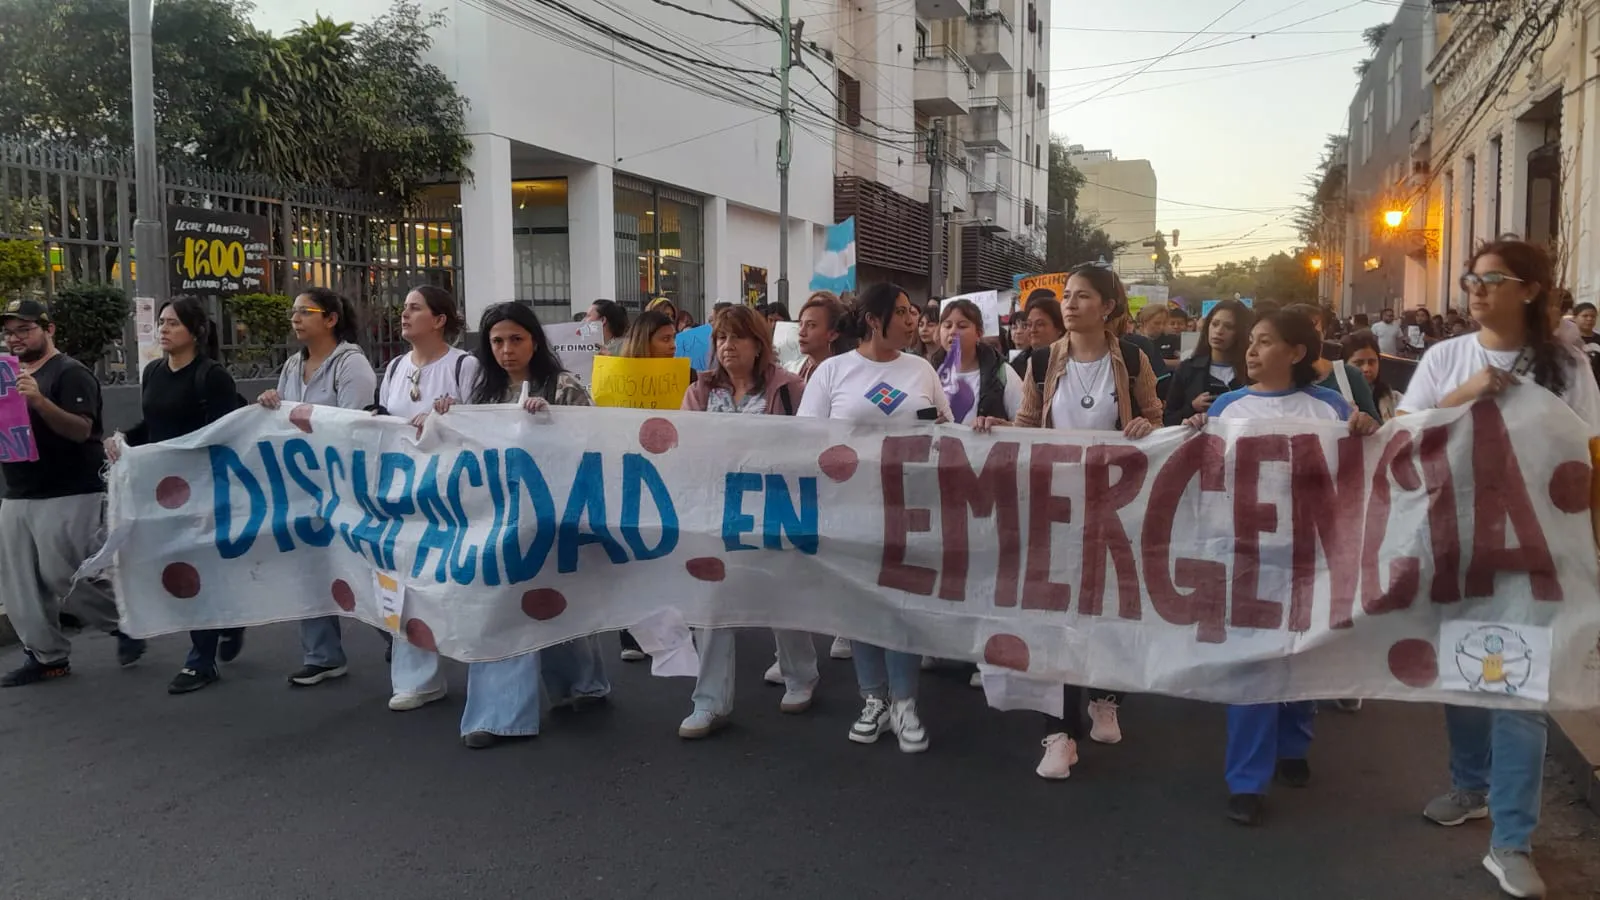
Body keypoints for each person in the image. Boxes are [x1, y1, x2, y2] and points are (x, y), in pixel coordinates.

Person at [1402, 240, 1600, 900]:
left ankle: (1512, 841)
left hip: (1538, 552)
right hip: (1458, 544)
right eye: (1472, 279)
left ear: (1531, 290)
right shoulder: (1446, 359)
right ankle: (1471, 786)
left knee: (1518, 692)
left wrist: (1590, 549)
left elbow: (1589, 455)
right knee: (1466, 677)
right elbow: (1402, 437)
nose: (1477, 290)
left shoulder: (1567, 366)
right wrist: (1466, 393)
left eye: (1494, 279)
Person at [1183, 309, 1378, 827]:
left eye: (1265, 341)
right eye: (1251, 340)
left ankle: (1294, 744)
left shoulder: (1329, 407)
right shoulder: (1227, 407)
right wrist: (1191, 431)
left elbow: (1365, 459)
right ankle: (1246, 780)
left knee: (1299, 657)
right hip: (1245, 556)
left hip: (1310, 556)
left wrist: (1367, 428)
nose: (1251, 350)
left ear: (1296, 353)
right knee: (1252, 667)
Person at [976, 263, 1161, 779]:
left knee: (1108, 608)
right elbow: (1028, 425)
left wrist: (1146, 426)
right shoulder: (1041, 360)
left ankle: (1105, 696)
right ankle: (1059, 732)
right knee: (1054, 614)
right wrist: (996, 428)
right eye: (1068, 296)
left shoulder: (1133, 359)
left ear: (1108, 306)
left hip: (1115, 507)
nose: (1071, 305)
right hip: (1054, 508)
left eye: (1083, 296)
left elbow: (1155, 419)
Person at [432, 301, 614, 748]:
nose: (506, 349)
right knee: (501, 609)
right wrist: (447, 417)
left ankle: (581, 684)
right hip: (497, 522)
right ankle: (500, 714)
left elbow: (594, 446)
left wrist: (552, 422)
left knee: (554, 602)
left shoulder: (564, 387)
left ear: (535, 341)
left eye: (516, 339)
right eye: (497, 341)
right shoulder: (482, 396)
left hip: (551, 518)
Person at [797, 282, 951, 753]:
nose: (911, 320)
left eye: (911, 312)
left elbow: (948, 431)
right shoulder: (832, 372)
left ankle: (905, 702)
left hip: (912, 509)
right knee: (861, 604)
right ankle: (874, 699)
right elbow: (803, 441)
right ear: (872, 319)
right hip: (850, 510)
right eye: (901, 312)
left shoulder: (921, 369)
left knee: (903, 605)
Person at [676, 306, 815, 738]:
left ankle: (800, 675)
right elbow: (684, 448)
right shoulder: (699, 392)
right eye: (721, 338)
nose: (727, 346)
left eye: (737, 337)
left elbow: (812, 445)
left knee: (781, 596)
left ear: (759, 345)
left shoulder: (790, 389)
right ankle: (710, 701)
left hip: (776, 509)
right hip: (715, 512)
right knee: (710, 605)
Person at [0, 299, 145, 686]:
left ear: (49, 330)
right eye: (10, 332)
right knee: (19, 582)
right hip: (17, 489)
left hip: (67, 489)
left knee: (65, 575)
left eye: (25, 329)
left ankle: (126, 622)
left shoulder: (70, 373)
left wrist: (38, 400)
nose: (15, 338)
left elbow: (82, 431)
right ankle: (47, 657)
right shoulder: (6, 375)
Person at [106, 298, 244, 694]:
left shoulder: (211, 376)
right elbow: (153, 426)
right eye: (161, 322)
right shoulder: (153, 372)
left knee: (196, 569)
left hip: (201, 490)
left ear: (195, 332)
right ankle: (221, 620)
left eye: (173, 323)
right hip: (159, 490)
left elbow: (226, 434)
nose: (163, 330)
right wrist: (122, 441)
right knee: (148, 558)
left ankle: (201, 660)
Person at [256, 288, 379, 687]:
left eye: (304, 311)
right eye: (293, 311)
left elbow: (352, 425)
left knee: (361, 564)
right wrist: (273, 403)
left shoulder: (351, 364)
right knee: (309, 565)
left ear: (330, 319)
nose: (295, 318)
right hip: (303, 483)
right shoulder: (293, 365)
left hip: (344, 483)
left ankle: (400, 635)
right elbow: (283, 420)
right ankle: (322, 655)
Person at [374, 286, 480, 714]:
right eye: (404, 308)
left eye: (415, 308)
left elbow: (482, 424)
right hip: (404, 492)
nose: (404, 314)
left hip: (453, 492)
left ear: (439, 320)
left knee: (462, 579)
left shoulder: (464, 365)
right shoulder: (395, 367)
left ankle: (485, 659)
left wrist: (450, 416)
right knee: (404, 579)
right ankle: (417, 679)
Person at [611, 307, 684, 663]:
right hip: (628, 474)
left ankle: (670, 629)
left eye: (674, 339)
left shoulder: (686, 376)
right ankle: (631, 633)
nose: (672, 346)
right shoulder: (615, 377)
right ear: (645, 341)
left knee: (668, 554)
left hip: (672, 472)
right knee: (632, 555)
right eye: (665, 339)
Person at [929, 299, 1023, 426]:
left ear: (979, 333)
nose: (952, 332)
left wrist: (1002, 426)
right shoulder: (929, 373)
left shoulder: (1002, 373)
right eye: (947, 326)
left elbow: (1025, 425)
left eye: (962, 326)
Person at [1287, 304, 1383, 422]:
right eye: (1299, 336)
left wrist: (1363, 423)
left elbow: (1376, 428)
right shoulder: (1274, 382)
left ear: (1324, 333)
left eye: (1314, 334)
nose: (1308, 341)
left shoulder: (1350, 376)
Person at [1164, 299, 1250, 427]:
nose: (1219, 331)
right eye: (1215, 324)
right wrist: (1192, 407)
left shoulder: (1252, 372)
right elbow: (1168, 418)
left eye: (1228, 327)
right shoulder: (1188, 369)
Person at [1341, 330, 1403, 421]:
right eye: (1358, 363)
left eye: (1372, 362)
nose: (1366, 369)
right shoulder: (1335, 401)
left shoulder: (1395, 399)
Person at [788, 291, 849, 382]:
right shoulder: (790, 369)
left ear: (833, 334)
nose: (801, 332)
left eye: (811, 325)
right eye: (801, 324)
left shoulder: (846, 374)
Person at [1013, 294, 1067, 378]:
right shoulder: (1018, 364)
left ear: (1059, 328)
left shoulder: (1072, 360)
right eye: (1029, 324)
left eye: (1040, 324)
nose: (1033, 329)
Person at [1573, 302, 1600, 385]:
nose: (1589, 319)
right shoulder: (1568, 339)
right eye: (1585, 316)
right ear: (1575, 318)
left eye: (1593, 316)